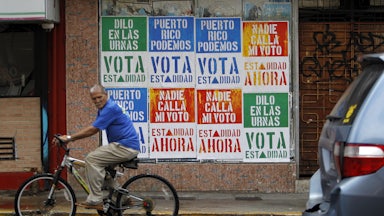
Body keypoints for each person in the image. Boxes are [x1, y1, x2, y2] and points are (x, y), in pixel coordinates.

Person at [54, 84, 140, 210]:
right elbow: (94, 127)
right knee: (105, 173)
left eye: (99, 97)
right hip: (123, 145)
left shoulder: (110, 108)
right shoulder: (104, 109)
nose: (97, 100)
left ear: (106, 95)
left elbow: (93, 129)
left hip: (125, 146)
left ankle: (95, 199)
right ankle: (123, 199)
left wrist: (69, 138)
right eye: (94, 99)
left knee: (92, 159)